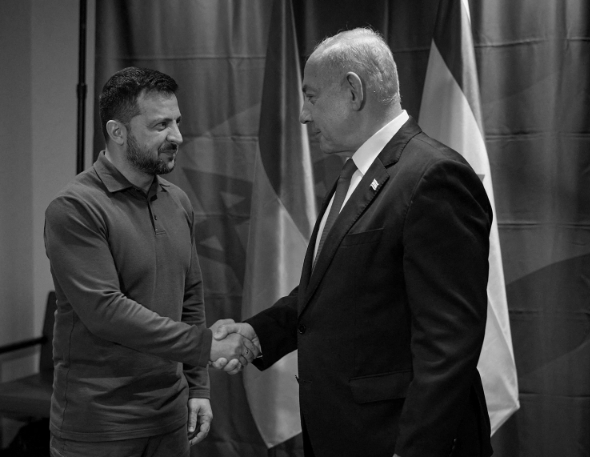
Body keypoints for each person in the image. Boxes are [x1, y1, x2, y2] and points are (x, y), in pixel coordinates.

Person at [212, 28, 494, 456]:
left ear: (353, 90)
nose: (304, 115)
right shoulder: (358, 173)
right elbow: (333, 291)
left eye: (311, 96)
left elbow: (448, 345)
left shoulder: (433, 177)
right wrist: (256, 332)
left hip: (397, 441)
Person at [44, 67, 259, 457]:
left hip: (170, 420)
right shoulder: (74, 207)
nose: (177, 136)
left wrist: (197, 386)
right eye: (160, 125)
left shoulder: (177, 200)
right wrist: (206, 346)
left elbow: (189, 297)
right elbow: (105, 311)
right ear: (117, 132)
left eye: (177, 122)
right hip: (100, 427)